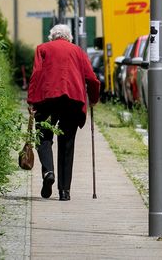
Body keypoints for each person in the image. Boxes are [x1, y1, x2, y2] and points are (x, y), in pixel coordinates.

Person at [27, 23, 101, 201]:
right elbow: (91, 78)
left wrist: (31, 100)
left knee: (43, 136)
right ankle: (64, 191)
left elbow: (36, 74)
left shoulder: (42, 49)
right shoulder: (78, 52)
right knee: (67, 143)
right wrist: (94, 98)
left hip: (47, 99)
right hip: (73, 100)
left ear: (52, 36)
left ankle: (48, 172)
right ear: (69, 37)